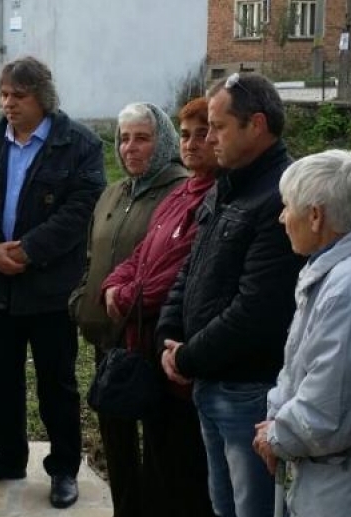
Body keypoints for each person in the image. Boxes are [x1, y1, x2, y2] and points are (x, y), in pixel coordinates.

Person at [0, 56, 105, 509]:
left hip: (50, 290)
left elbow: (83, 207)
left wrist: (29, 249)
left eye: (18, 96)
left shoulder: (79, 144)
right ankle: (7, 456)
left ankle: (63, 470)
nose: (8, 104)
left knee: (56, 383)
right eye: (3, 95)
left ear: (43, 97)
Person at [155, 72, 305, 517]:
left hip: (249, 392)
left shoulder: (281, 194)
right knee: (223, 507)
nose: (209, 137)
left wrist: (186, 358)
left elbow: (256, 308)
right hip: (211, 381)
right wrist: (168, 330)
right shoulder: (229, 184)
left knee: (250, 509)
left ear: (255, 125)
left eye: (218, 127)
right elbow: (193, 266)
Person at [99, 97, 217, 517]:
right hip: (137, 339)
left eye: (203, 133)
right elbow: (141, 254)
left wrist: (125, 296)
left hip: (174, 349)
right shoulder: (181, 194)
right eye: (186, 134)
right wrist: (113, 284)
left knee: (180, 469)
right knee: (156, 459)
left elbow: (174, 273)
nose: (192, 143)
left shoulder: (206, 197)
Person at [69, 101, 187, 517]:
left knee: (157, 445)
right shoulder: (113, 193)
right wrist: (82, 297)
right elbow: (91, 255)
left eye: (142, 138)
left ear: (163, 142)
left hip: (150, 341)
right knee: (114, 434)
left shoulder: (179, 193)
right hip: (108, 340)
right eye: (123, 139)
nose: (130, 148)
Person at [252, 149, 351, 517]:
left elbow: (326, 410)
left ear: (315, 216)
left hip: (340, 489)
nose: (282, 217)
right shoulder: (337, 271)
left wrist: (277, 436)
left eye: (287, 206)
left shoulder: (348, 288)